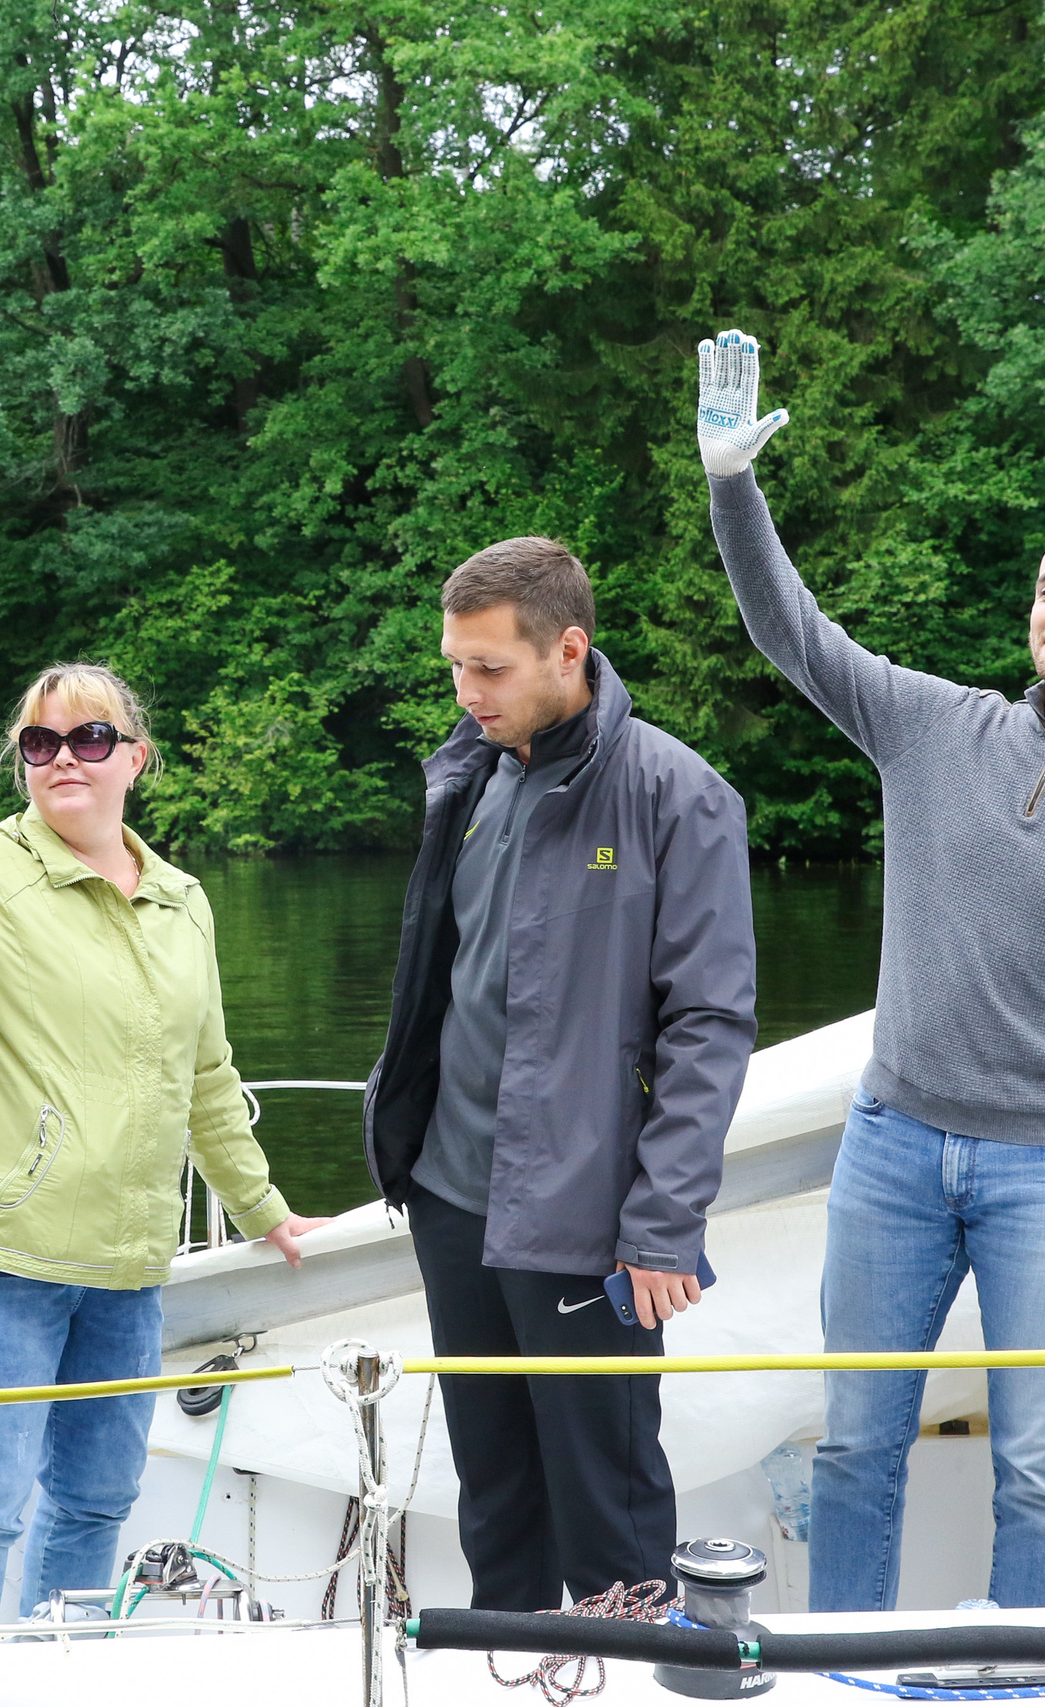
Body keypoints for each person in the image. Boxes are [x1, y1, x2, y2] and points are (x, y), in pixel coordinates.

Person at [692, 330, 1045, 1610]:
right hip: (892, 1147)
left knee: (1043, 1467)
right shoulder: (933, 729)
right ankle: (843, 1684)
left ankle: (1036, 1682)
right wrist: (732, 485)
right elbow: (796, 635)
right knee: (855, 1449)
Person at [0, 663, 331, 1626]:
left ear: (134, 757)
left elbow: (208, 1078)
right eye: (41, 742)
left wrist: (263, 1208)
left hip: (126, 1268)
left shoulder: (182, 900)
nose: (65, 757)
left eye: (90, 738)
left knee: (96, 1500)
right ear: (23, 763)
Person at [362, 538, 760, 1611]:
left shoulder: (679, 793)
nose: (465, 690)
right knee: (492, 1490)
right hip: (451, 1195)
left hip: (587, 1211)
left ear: (567, 651)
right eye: (454, 665)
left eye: (488, 669)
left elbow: (711, 1023)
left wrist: (664, 1221)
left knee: (608, 1502)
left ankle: (622, 1679)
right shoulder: (472, 774)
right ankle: (511, 1671)